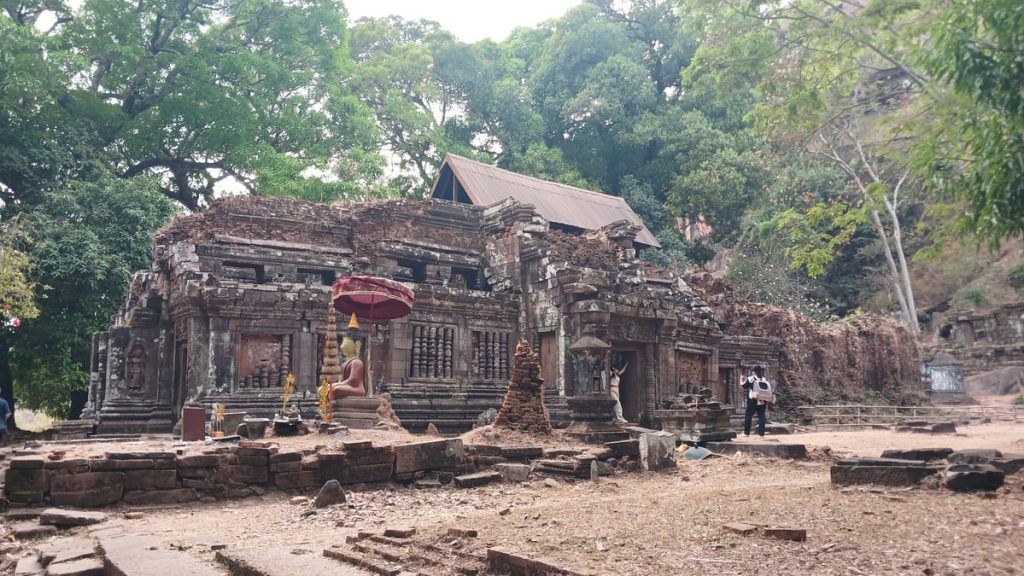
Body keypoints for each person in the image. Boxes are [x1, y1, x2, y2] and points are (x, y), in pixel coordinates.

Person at [742, 365, 771, 437]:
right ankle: (761, 434)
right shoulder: (764, 379)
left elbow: (744, 386)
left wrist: (741, 379)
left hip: (753, 399)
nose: (752, 372)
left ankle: (746, 432)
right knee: (761, 416)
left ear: (754, 372)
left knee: (748, 415)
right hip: (762, 399)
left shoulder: (751, 379)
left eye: (752, 371)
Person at [609, 360, 629, 425]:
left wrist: (626, 363)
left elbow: (623, 370)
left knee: (616, 404)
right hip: (612, 389)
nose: (618, 370)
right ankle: (620, 418)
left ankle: (617, 418)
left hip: (616, 389)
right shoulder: (611, 374)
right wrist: (613, 370)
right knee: (617, 403)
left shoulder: (617, 375)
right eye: (616, 369)